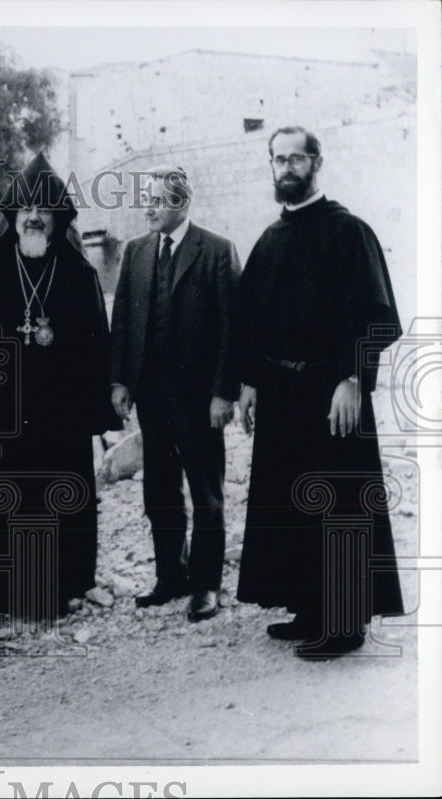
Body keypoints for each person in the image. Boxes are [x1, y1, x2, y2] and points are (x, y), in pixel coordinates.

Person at [235, 125, 404, 658]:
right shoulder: (270, 239)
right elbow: (250, 322)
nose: (286, 168)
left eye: (295, 159)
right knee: (292, 502)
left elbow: (374, 316)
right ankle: (308, 606)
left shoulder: (349, 231)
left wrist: (353, 378)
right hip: (283, 394)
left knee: (338, 501)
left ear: (316, 162)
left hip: (333, 392)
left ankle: (346, 624)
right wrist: (249, 383)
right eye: (277, 159)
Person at [0, 152, 121, 620]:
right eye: (25, 209)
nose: (32, 216)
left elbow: (97, 347)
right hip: (2, 414)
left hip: (59, 415)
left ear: (56, 217)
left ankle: (57, 583)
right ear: (12, 216)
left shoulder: (79, 273)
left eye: (43, 209)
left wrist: (94, 409)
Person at [110, 166, 241, 621]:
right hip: (151, 395)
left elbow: (232, 331)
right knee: (159, 487)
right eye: (146, 199)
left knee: (206, 491)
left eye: (158, 200)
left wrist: (224, 393)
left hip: (200, 399)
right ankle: (171, 576)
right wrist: (121, 381)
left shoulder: (217, 251)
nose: (148, 207)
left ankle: (206, 586)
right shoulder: (136, 251)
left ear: (182, 204)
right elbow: (123, 320)